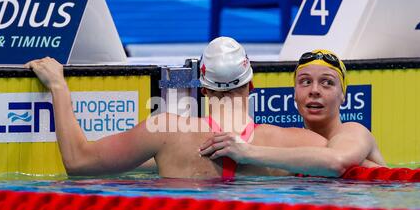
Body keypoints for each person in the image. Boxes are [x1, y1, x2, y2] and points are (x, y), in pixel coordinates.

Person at [25, 37, 326, 179]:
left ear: (203, 88)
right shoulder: (296, 143)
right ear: (252, 86)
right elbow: (354, 166)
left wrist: (58, 87)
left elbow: (78, 163)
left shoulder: (165, 133)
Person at [199, 49, 386, 177]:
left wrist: (248, 152)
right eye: (305, 82)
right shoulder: (291, 144)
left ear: (343, 94)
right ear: (294, 94)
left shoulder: (353, 131)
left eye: (327, 82)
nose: (314, 90)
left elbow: (336, 161)